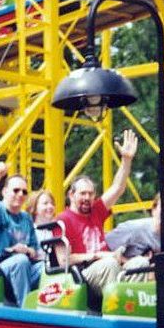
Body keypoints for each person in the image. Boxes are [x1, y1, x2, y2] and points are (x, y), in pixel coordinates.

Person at [56, 129, 138, 301]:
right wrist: (96, 255)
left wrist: (126, 160)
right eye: (83, 194)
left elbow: (118, 188)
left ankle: (137, 313)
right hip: (84, 272)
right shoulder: (62, 220)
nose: (87, 198)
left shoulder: (96, 211)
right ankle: (115, 310)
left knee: (141, 264)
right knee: (109, 263)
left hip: (109, 266)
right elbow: (63, 260)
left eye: (90, 194)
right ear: (71, 195)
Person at [0, 161, 42, 306]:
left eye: (24, 192)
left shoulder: (26, 218)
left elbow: (34, 250)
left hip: (25, 266)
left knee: (48, 269)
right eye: (16, 190)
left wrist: (27, 250)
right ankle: (26, 311)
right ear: (5, 191)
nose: (20, 194)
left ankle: (49, 312)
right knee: (20, 261)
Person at [106, 192, 164, 281]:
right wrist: (125, 260)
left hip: (152, 279)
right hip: (124, 275)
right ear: (154, 210)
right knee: (142, 262)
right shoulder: (134, 228)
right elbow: (105, 246)